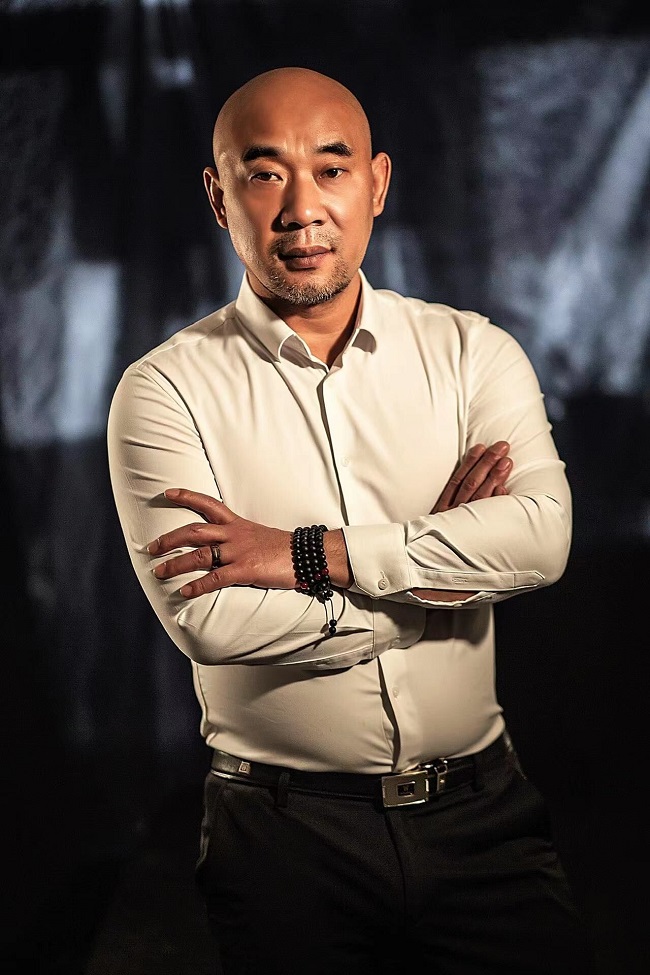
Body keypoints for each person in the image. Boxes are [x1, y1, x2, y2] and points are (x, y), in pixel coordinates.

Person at [107, 66, 597, 975]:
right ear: (218, 196)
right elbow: (212, 620)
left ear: (376, 183)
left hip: (485, 819)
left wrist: (307, 554)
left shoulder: (473, 353)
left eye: (330, 169)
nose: (302, 209)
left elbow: (541, 538)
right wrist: (435, 578)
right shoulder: (164, 390)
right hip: (281, 840)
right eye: (264, 173)